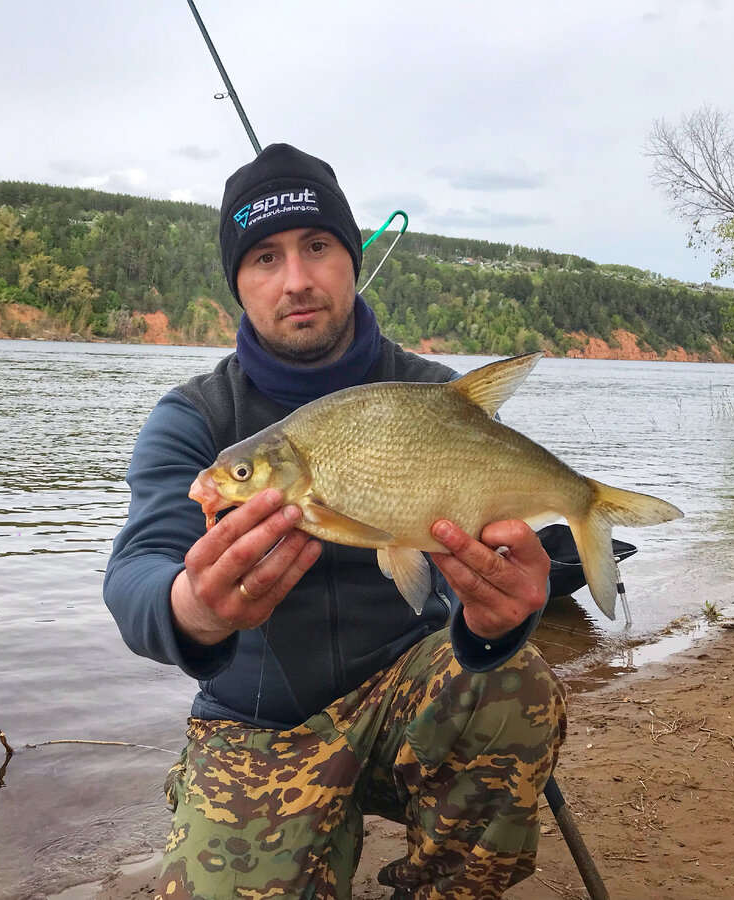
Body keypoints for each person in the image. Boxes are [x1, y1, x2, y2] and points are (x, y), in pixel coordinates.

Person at [104, 143, 566, 900]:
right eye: (264, 258)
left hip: (408, 703)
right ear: (238, 286)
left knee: (514, 680)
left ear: (353, 257)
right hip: (258, 723)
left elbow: (476, 587)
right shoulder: (195, 419)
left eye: (317, 246)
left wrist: (500, 620)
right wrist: (191, 608)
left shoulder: (434, 398)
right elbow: (136, 571)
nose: (296, 280)